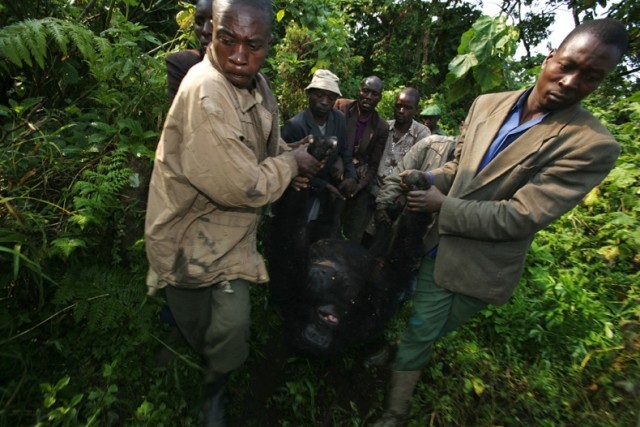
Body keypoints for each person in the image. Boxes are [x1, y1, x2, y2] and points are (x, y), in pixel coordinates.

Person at [373, 18, 628, 426]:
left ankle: (397, 384)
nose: (571, 81)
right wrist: (430, 178)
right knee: (423, 324)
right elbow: (462, 166)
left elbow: (521, 215)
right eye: (568, 65)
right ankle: (398, 388)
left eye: (591, 77)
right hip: (435, 243)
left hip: (481, 263)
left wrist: (441, 204)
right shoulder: (488, 103)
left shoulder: (592, 144)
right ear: (550, 58)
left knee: (426, 326)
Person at [145, 0, 321, 424]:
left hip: (232, 237)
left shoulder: (258, 86)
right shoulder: (206, 91)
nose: (239, 56)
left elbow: (263, 146)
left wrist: (286, 157)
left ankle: (214, 391)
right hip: (187, 235)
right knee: (193, 320)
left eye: (253, 45)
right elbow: (243, 185)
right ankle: (191, 356)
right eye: (227, 41)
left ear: (268, 45)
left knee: (230, 329)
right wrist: (289, 167)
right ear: (211, 34)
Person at [281, 69, 358, 241]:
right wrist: (323, 186)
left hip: (327, 199)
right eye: (319, 95)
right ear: (309, 94)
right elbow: (287, 167)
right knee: (297, 238)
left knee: (323, 240)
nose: (325, 102)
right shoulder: (295, 126)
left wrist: (351, 176)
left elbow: (345, 152)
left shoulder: (338, 119)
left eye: (331, 98)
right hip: (301, 195)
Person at [365, 87, 430, 242]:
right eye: (398, 106)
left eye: (407, 108)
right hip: (373, 190)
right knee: (364, 237)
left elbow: (420, 168)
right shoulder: (384, 127)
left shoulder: (422, 134)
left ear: (416, 110)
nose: (401, 111)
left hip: (400, 196)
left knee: (389, 240)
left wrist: (403, 195)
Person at [334, 76, 389, 243]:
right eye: (365, 91)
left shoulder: (381, 126)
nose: (369, 97)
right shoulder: (341, 107)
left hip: (357, 181)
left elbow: (373, 164)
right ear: (359, 90)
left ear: (379, 97)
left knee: (353, 232)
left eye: (374, 94)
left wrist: (358, 187)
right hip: (334, 172)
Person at [166, 0, 213, 105]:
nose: (205, 30)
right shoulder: (184, 64)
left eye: (214, 22)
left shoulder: (255, 76)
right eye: (199, 23)